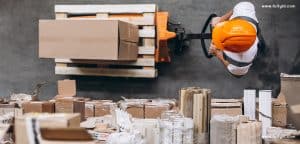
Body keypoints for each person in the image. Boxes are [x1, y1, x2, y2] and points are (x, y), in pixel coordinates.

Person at [209, 1, 264, 77]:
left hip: (251, 52)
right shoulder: (244, 10)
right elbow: (234, 10)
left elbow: (237, 75)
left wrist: (218, 54)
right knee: (262, 44)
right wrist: (220, 20)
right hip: (253, 32)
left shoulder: (241, 63)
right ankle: (262, 46)